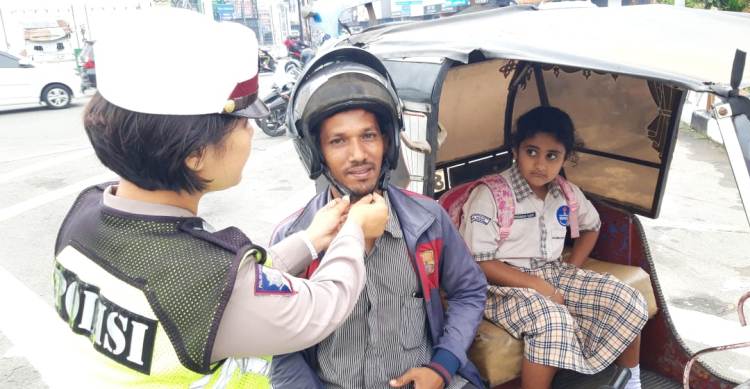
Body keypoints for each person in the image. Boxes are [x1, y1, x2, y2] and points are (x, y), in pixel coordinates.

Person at [51, 9, 388, 388]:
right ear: (195, 153)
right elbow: (319, 307)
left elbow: (231, 289)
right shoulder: (202, 280)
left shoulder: (88, 214)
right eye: (243, 123)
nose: (250, 135)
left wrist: (310, 242)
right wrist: (354, 234)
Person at [269, 47, 488, 389]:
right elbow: (280, 345)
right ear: (317, 152)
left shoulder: (428, 219)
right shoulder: (294, 239)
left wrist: (442, 366)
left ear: (387, 141)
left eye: (368, 135)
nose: (358, 155)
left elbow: (469, 291)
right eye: (338, 141)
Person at [458, 106, 649, 389]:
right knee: (551, 319)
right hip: (496, 284)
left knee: (626, 299)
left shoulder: (566, 193)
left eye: (552, 156)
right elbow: (480, 262)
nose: (540, 165)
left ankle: (630, 383)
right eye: (531, 152)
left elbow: (591, 227)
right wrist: (537, 286)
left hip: (553, 271)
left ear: (565, 158)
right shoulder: (491, 194)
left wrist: (571, 269)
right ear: (516, 150)